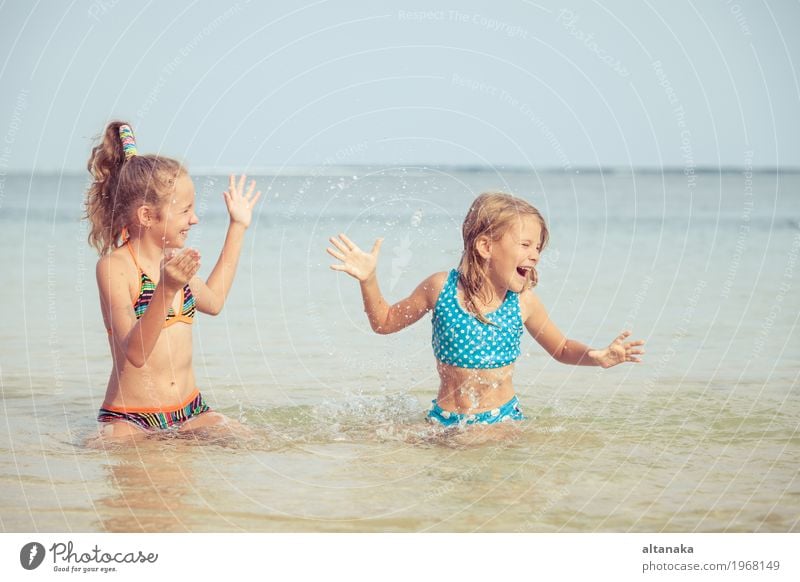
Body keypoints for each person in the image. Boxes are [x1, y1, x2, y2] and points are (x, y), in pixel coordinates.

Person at [327, 191, 645, 428]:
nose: (534, 254)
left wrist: (598, 356)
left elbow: (561, 348)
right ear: (485, 247)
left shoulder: (523, 302)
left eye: (538, 247)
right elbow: (384, 322)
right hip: (444, 420)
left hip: (502, 421)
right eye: (525, 245)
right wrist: (368, 279)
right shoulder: (441, 289)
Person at [85, 121, 261, 439]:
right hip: (132, 418)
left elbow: (215, 301)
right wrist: (165, 289)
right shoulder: (115, 267)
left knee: (254, 441)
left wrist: (238, 226)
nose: (194, 219)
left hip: (190, 411)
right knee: (114, 456)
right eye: (185, 211)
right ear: (147, 216)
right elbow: (135, 354)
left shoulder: (172, 263)